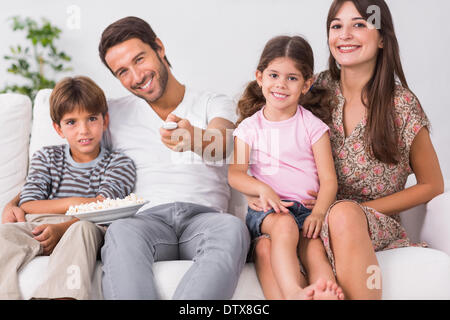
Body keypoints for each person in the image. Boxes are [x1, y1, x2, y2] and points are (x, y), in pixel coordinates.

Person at [249, 0, 444, 300]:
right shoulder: (317, 89)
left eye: (359, 25)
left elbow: (433, 184)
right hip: (310, 220)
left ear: (381, 39)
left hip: (368, 221)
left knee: (342, 215)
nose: (345, 34)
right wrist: (253, 184)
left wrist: (358, 211)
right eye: (337, 26)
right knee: (265, 245)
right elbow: (261, 121)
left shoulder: (401, 105)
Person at [96, 16, 250, 299]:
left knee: (233, 228)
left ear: (159, 48)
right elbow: (76, 155)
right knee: (120, 232)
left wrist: (193, 139)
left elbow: (224, 143)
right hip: (145, 221)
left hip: (205, 218)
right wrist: (19, 200)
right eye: (122, 72)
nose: (136, 76)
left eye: (139, 59)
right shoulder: (112, 114)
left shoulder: (211, 101)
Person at [228, 35, 344, 300]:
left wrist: (318, 213)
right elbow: (235, 174)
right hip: (269, 211)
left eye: (292, 78)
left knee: (314, 249)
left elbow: (329, 181)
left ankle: (325, 291)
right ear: (260, 77)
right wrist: (261, 188)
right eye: (273, 75)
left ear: (307, 84)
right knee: (284, 228)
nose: (281, 84)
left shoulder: (313, 127)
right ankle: (294, 293)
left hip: (306, 211)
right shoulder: (249, 128)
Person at [0, 76, 136, 299]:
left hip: (88, 225)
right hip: (40, 226)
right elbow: (29, 203)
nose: (84, 130)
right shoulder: (47, 157)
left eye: (91, 119)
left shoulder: (119, 163)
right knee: (4, 234)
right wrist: (75, 203)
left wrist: (63, 227)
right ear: (58, 128)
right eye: (72, 122)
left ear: (105, 120)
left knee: (81, 230)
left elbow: (103, 208)